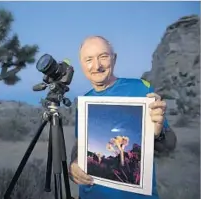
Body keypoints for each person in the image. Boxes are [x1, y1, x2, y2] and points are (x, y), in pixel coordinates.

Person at [69, 35, 177, 199]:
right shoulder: (83, 102)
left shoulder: (141, 89)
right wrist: (73, 166)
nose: (97, 66)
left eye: (103, 57)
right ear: (82, 64)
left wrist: (159, 132)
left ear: (114, 59)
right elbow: (79, 147)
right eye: (89, 59)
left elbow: (169, 145)